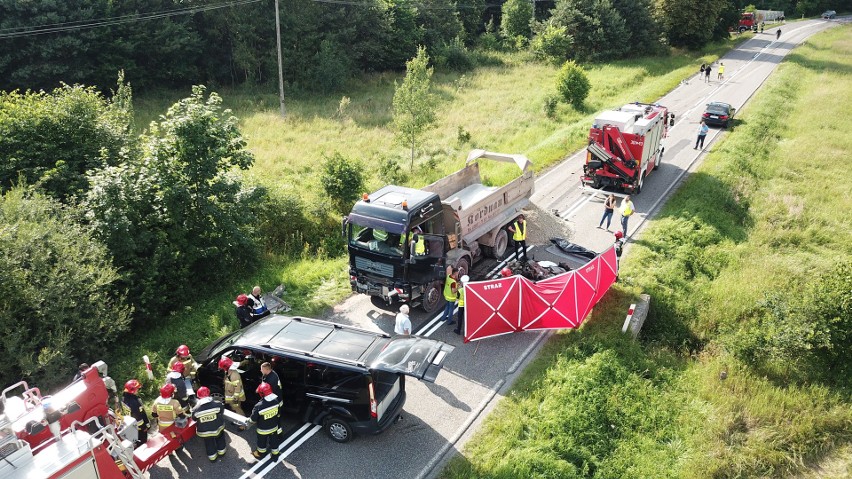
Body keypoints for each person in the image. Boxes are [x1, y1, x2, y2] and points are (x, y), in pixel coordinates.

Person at [192, 387, 227, 462]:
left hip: (205, 432)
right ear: (209, 394)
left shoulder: (195, 409)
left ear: (198, 396)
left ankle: (212, 458)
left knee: (209, 443)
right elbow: (221, 412)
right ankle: (222, 453)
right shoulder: (218, 404)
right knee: (220, 439)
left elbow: (194, 419)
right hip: (217, 427)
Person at [248, 383, 281, 461]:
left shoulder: (258, 406)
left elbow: (253, 419)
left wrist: (248, 421)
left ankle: (261, 453)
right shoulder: (276, 401)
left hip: (263, 430)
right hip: (274, 427)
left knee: (261, 442)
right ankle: (275, 454)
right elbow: (278, 414)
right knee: (274, 441)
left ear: (261, 393)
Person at [121, 379, 150, 446]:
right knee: (142, 443)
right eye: (137, 389)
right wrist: (144, 427)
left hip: (132, 425)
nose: (138, 390)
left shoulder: (124, 398)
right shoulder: (133, 402)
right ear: (132, 390)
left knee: (137, 440)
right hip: (139, 427)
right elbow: (138, 417)